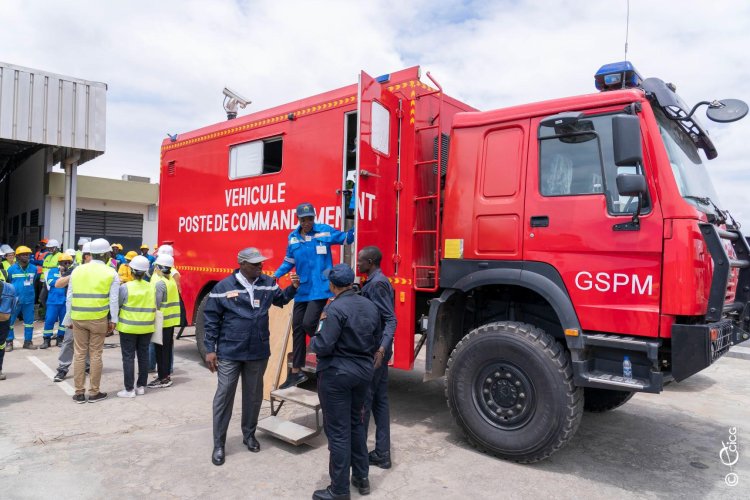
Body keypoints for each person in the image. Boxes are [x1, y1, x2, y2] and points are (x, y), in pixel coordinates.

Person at [203, 247, 299, 466]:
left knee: (254, 396)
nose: (260, 266)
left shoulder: (267, 282)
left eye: (261, 263)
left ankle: (249, 434)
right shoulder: (223, 287)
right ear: (242, 264)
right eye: (255, 264)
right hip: (230, 351)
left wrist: (293, 288)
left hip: (257, 351)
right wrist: (210, 349)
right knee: (224, 394)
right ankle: (219, 444)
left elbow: (281, 300)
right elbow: (211, 319)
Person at [309, 263, 380, 500]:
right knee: (356, 425)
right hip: (363, 373)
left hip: (337, 375)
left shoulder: (334, 308)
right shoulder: (370, 305)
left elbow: (324, 344)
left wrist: (313, 343)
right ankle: (361, 477)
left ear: (333, 285)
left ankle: (338, 490)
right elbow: (376, 337)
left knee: (338, 432)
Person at [274, 202, 354, 389]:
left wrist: (358, 226)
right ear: (298, 219)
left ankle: (329, 347)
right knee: (298, 328)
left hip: (320, 288)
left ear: (314, 217)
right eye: (303, 219)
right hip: (303, 289)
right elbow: (289, 261)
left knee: (309, 323)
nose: (307, 222)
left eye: (310, 218)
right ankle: (296, 372)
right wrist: (275, 276)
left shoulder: (323, 231)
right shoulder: (293, 238)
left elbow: (345, 239)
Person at [63, 238, 120, 403]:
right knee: (95, 355)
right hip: (98, 318)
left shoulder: (77, 271)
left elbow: (70, 297)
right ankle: (94, 392)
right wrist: (113, 320)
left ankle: (79, 393)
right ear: (104, 254)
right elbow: (113, 300)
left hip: (78, 318)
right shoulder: (111, 272)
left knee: (80, 354)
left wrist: (69, 318)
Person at [357, 246, 397, 470]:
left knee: (365, 402)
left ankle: (360, 455)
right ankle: (382, 453)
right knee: (380, 403)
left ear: (370, 262)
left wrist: (381, 351)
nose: (358, 264)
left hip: (374, 353)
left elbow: (391, 320)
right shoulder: (372, 282)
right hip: (377, 351)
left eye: (361, 261)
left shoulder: (378, 284)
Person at [116, 256, 156, 398]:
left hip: (128, 328)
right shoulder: (152, 287)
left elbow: (119, 303)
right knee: (143, 356)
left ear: (132, 271)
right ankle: (140, 386)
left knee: (128, 358)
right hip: (146, 328)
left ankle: (129, 390)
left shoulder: (125, 287)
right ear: (145, 272)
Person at [52, 242, 91, 382]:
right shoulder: (75, 270)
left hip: (94, 312)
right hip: (75, 313)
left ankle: (88, 366)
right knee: (69, 340)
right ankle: (62, 368)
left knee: (90, 342)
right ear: (86, 256)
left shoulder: (102, 271)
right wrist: (75, 274)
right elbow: (58, 284)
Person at [147, 253, 180, 388]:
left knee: (161, 351)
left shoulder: (161, 283)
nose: (155, 269)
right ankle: (164, 376)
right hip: (169, 320)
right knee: (165, 350)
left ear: (160, 267)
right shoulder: (170, 281)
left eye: (156, 267)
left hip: (162, 321)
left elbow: (157, 303)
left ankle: (164, 378)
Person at [7, 246, 39, 351]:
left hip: (29, 299)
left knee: (29, 322)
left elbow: (34, 281)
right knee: (10, 321)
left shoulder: (34, 269)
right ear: (18, 256)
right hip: (15, 300)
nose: (27, 256)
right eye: (24, 254)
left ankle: (28, 342)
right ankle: (9, 342)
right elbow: (9, 282)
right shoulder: (11, 269)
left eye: (28, 254)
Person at [40, 253, 73, 349]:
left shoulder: (71, 273)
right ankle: (46, 340)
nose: (66, 264)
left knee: (63, 323)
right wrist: (63, 279)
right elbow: (50, 282)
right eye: (65, 262)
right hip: (53, 301)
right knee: (49, 320)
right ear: (60, 262)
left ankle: (60, 339)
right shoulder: (52, 271)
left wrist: (64, 279)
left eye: (68, 262)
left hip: (65, 302)